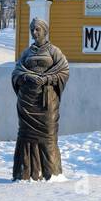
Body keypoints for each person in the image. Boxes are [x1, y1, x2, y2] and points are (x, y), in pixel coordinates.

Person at [11, 17, 70, 181]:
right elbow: (16, 72)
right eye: (32, 30)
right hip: (27, 102)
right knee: (25, 136)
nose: (34, 33)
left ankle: (50, 172)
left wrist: (46, 79)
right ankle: (26, 172)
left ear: (45, 31)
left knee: (48, 135)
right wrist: (28, 76)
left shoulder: (54, 51)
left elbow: (64, 71)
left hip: (47, 102)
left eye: (37, 29)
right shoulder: (27, 53)